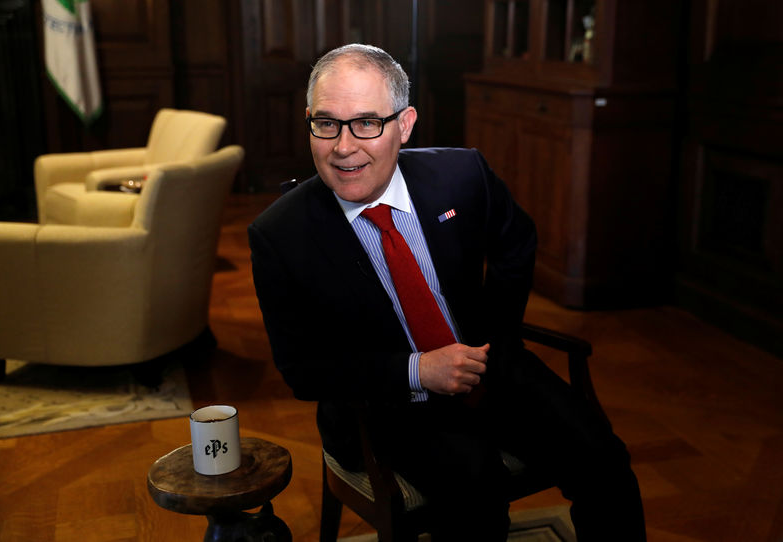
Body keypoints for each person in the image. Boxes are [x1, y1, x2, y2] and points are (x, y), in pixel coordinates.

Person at [248, 43, 646, 541]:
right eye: (327, 123)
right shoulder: (280, 234)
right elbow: (302, 370)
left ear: (405, 124)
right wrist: (420, 370)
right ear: (309, 120)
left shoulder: (460, 175)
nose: (343, 146)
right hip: (386, 403)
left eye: (367, 122)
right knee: (476, 492)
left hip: (489, 364)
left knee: (602, 459)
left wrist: (493, 338)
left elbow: (516, 240)